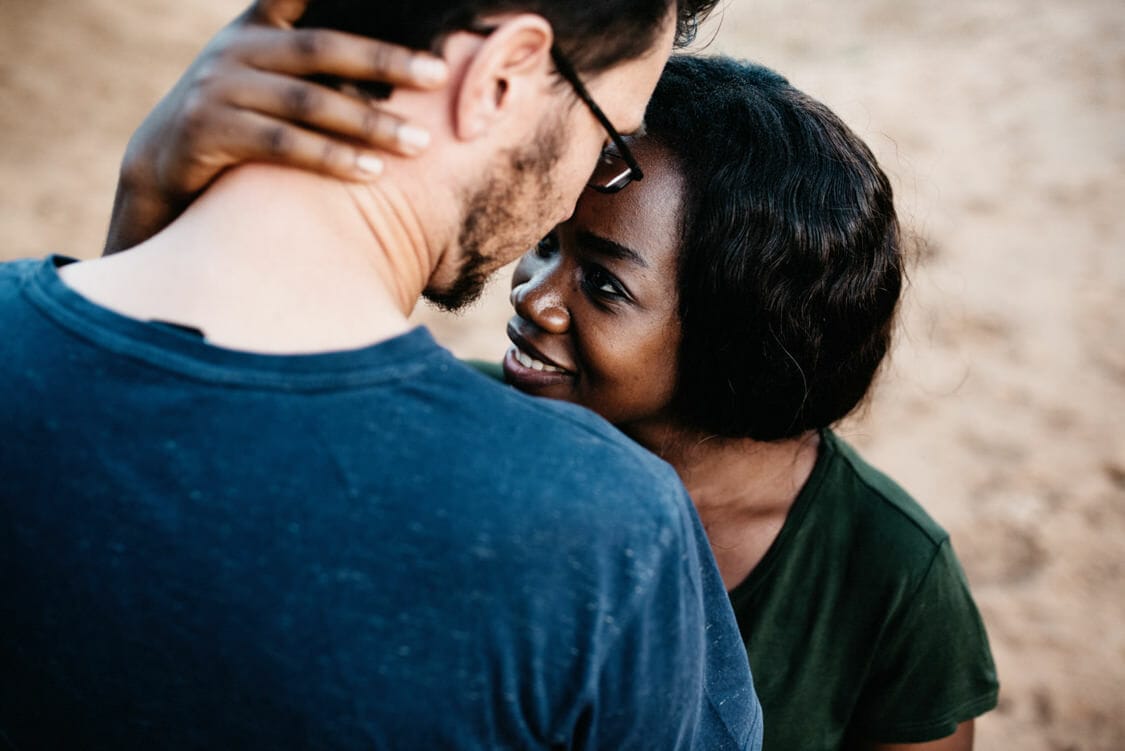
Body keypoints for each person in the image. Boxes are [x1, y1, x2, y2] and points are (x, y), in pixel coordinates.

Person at [112, 39, 1001, 748]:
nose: (532, 296)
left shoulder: (888, 577)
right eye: (547, 242)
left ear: (736, 339)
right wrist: (145, 193)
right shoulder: (438, 430)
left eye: (603, 285)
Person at [0, 1, 766, 749]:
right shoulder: (602, 535)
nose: (575, 196)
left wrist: (141, 222)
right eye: (605, 141)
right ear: (499, 75)